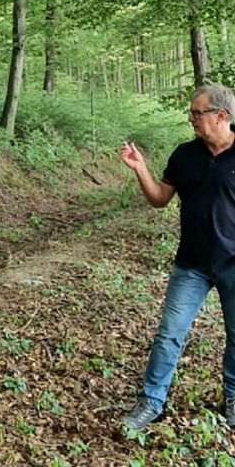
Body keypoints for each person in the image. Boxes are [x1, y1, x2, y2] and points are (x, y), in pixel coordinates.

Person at [120, 84, 235, 430]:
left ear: (222, 116)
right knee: (169, 333)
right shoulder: (185, 155)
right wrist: (140, 168)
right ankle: (151, 402)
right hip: (192, 264)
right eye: (192, 113)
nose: (192, 119)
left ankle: (232, 396)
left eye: (197, 113)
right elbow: (159, 199)